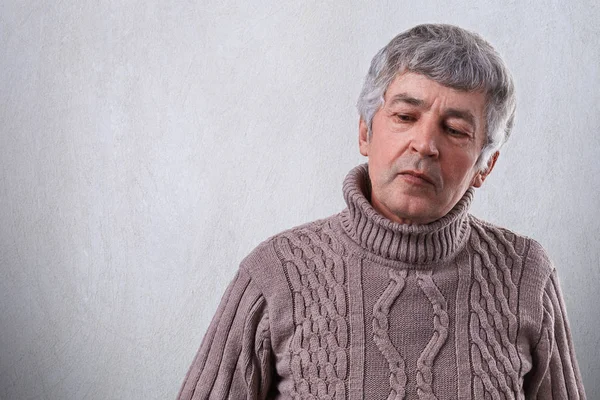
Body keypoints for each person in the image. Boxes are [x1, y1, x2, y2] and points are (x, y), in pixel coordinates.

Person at [177, 23, 586, 399]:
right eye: (405, 116)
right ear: (365, 132)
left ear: (485, 166)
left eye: (456, 130)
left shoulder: (526, 275)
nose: (424, 144)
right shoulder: (276, 272)